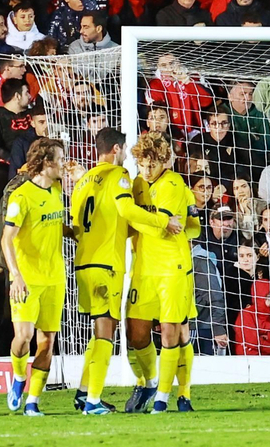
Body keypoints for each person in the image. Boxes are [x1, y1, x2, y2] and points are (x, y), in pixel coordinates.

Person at [116, 131, 200, 414]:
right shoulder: (138, 183)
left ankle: (170, 395)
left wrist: (132, 213)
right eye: (142, 163)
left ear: (164, 160)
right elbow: (158, 222)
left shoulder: (173, 184)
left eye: (153, 163)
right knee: (135, 334)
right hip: (143, 269)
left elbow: (159, 227)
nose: (147, 169)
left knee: (171, 332)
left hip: (172, 267)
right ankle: (151, 382)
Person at [1, 138, 69, 416]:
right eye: (61, 160)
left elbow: (50, 224)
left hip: (55, 277)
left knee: (47, 341)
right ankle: (18, 378)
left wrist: (71, 232)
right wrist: (15, 276)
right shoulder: (21, 196)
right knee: (24, 337)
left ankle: (33, 401)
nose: (65, 164)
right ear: (47, 162)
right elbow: (7, 240)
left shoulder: (56, 189)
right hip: (27, 279)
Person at [67, 128, 132, 414]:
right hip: (106, 263)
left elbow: (76, 228)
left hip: (83, 262)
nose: (127, 154)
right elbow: (126, 211)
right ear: (116, 149)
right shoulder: (119, 177)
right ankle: (93, 401)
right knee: (106, 331)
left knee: (98, 332)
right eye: (126, 149)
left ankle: (84, 393)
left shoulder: (81, 183)